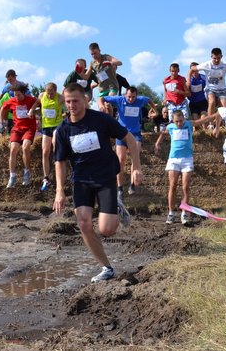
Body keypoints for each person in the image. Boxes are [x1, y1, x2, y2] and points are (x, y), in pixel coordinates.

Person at [53, 83, 143, 282]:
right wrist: (59, 190)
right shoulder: (63, 130)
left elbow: (129, 138)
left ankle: (116, 207)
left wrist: (136, 167)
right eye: (68, 102)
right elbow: (60, 162)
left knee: (107, 230)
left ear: (85, 100)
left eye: (75, 101)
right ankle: (107, 268)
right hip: (82, 180)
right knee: (84, 223)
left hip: (105, 177)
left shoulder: (100, 119)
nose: (71, 105)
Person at [99, 86, 155, 199]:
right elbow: (102, 98)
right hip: (122, 133)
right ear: (125, 95)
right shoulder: (119, 99)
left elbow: (149, 99)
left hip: (135, 134)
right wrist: (101, 106)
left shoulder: (140, 100)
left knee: (135, 157)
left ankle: (132, 185)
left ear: (136, 96)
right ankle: (120, 188)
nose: (131, 99)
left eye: (133, 97)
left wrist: (153, 109)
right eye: (129, 97)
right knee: (121, 160)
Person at [154, 110, 207, 225]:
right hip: (174, 159)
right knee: (172, 185)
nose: (179, 123)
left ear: (184, 119)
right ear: (172, 120)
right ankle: (171, 213)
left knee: (185, 187)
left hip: (187, 159)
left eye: (181, 121)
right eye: (176, 121)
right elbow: (163, 133)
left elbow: (203, 120)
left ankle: (184, 213)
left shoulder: (189, 124)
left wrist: (218, 114)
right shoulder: (170, 127)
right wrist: (157, 143)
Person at [28, 82, 66, 191]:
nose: (49, 95)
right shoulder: (41, 95)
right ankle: (46, 178)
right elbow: (36, 103)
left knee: (55, 143)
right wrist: (31, 110)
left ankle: (58, 169)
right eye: (48, 93)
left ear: (55, 91)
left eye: (51, 93)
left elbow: (69, 104)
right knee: (45, 151)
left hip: (57, 125)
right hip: (46, 126)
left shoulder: (60, 97)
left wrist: (67, 113)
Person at [0, 83, 38, 188]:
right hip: (17, 129)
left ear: (24, 93)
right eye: (15, 95)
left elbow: (38, 101)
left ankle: (26, 173)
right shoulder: (11, 101)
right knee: (13, 149)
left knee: (25, 147)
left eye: (19, 95)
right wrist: (2, 122)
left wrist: (32, 109)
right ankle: (12, 176)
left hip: (29, 128)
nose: (17, 97)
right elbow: (3, 109)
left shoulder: (30, 99)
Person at [188, 48, 226, 115]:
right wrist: (188, 80)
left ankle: (221, 120)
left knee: (225, 108)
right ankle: (210, 121)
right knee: (212, 102)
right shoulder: (207, 64)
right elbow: (192, 69)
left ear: (221, 56)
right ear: (211, 57)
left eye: (218, 58)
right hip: (210, 89)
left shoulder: (225, 64)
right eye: (214, 58)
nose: (216, 60)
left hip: (222, 90)